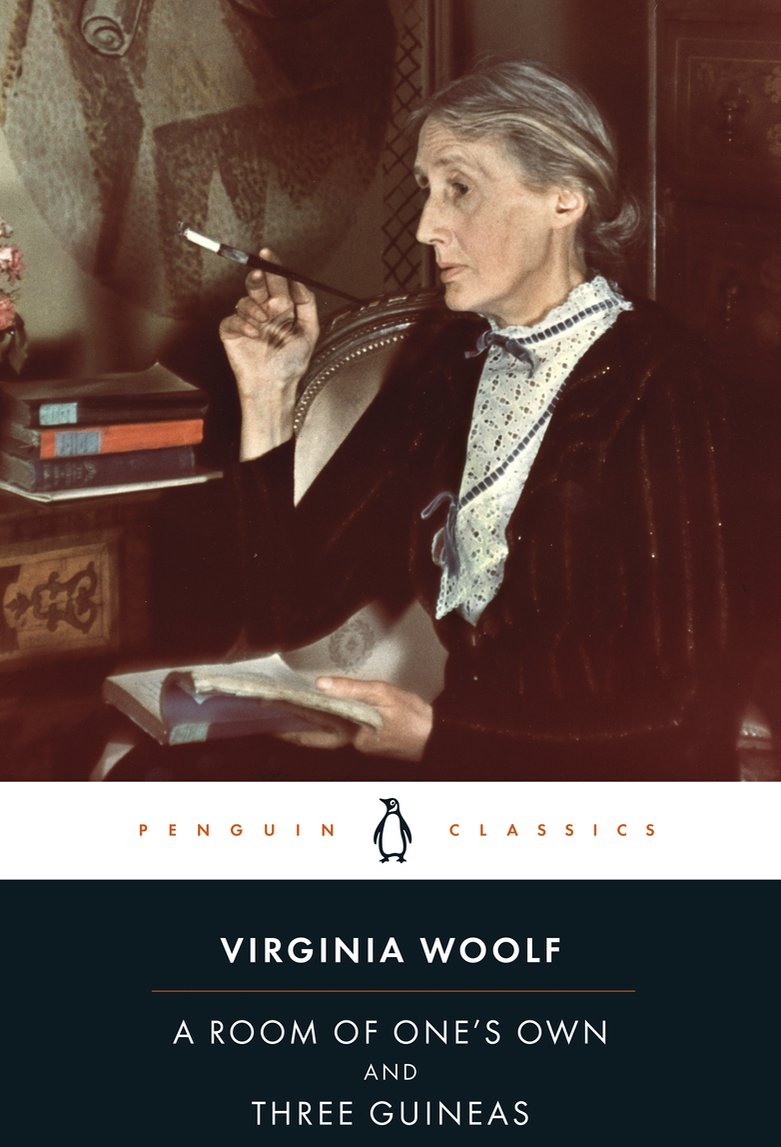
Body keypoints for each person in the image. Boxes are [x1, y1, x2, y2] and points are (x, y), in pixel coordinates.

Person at [111, 59, 752, 782]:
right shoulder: (450, 361)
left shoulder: (665, 382)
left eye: (460, 189)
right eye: (425, 190)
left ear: (565, 197)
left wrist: (443, 737)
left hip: (597, 796)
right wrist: (268, 391)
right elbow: (289, 603)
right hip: (462, 768)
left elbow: (691, 720)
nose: (425, 228)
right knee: (150, 781)